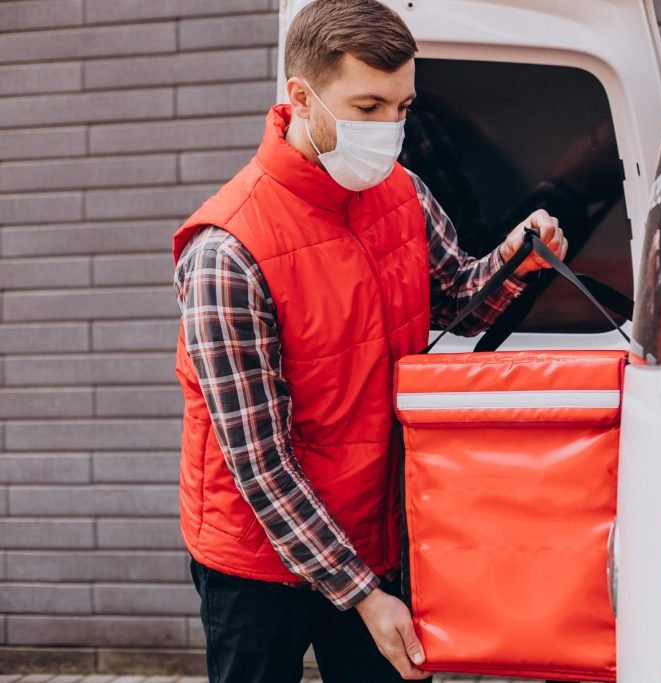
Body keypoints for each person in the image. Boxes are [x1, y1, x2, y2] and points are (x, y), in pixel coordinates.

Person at [170, 1, 567, 681]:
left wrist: (515, 260)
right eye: (369, 106)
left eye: (403, 107)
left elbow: (458, 304)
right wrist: (362, 594)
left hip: (374, 532)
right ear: (301, 98)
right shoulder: (228, 251)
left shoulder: (402, 192)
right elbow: (261, 465)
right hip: (258, 557)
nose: (392, 130)